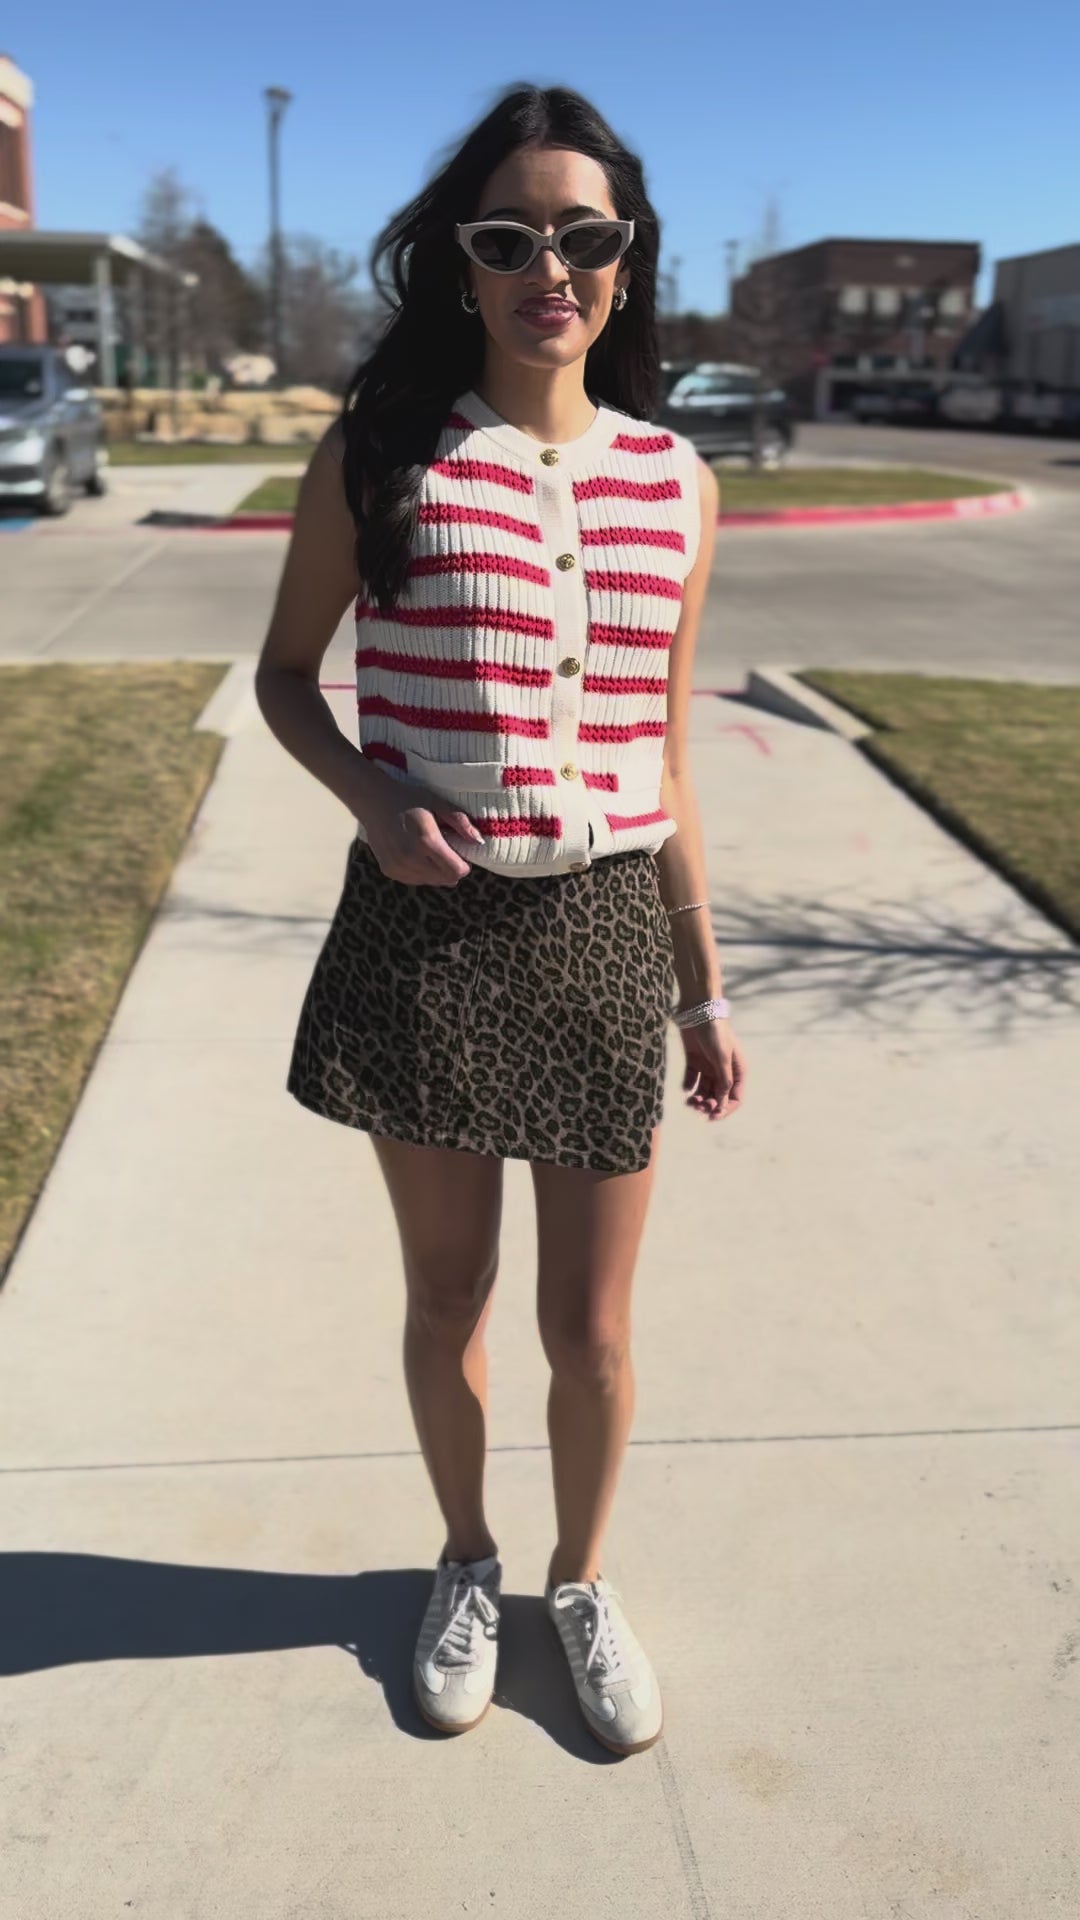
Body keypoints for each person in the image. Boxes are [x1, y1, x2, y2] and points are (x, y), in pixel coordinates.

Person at [254, 82, 748, 1759]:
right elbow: (286, 677)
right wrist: (371, 798)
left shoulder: (675, 481)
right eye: (510, 236)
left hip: (604, 927)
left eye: (585, 236)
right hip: (430, 927)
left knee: (589, 1326)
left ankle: (580, 1582)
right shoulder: (381, 456)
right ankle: (464, 1564)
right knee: (447, 1295)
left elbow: (665, 751)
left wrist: (703, 987)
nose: (553, 267)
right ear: (458, 263)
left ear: (628, 261)